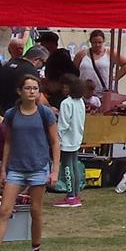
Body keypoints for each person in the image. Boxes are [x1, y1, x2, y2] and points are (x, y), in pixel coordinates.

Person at [0, 75, 58, 251]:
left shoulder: (45, 113)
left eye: (35, 88)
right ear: (20, 91)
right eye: (28, 88)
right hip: (16, 168)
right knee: (4, 210)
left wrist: (55, 170)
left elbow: (54, 141)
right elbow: (8, 142)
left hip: (38, 167)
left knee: (36, 210)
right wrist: (3, 169)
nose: (32, 91)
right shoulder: (11, 114)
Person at [50, 76, 87, 207]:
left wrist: (57, 137)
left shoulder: (66, 103)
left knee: (66, 166)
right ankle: (76, 194)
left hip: (66, 140)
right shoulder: (80, 102)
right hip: (76, 138)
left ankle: (71, 196)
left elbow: (63, 124)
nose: (63, 89)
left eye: (65, 86)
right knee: (74, 166)